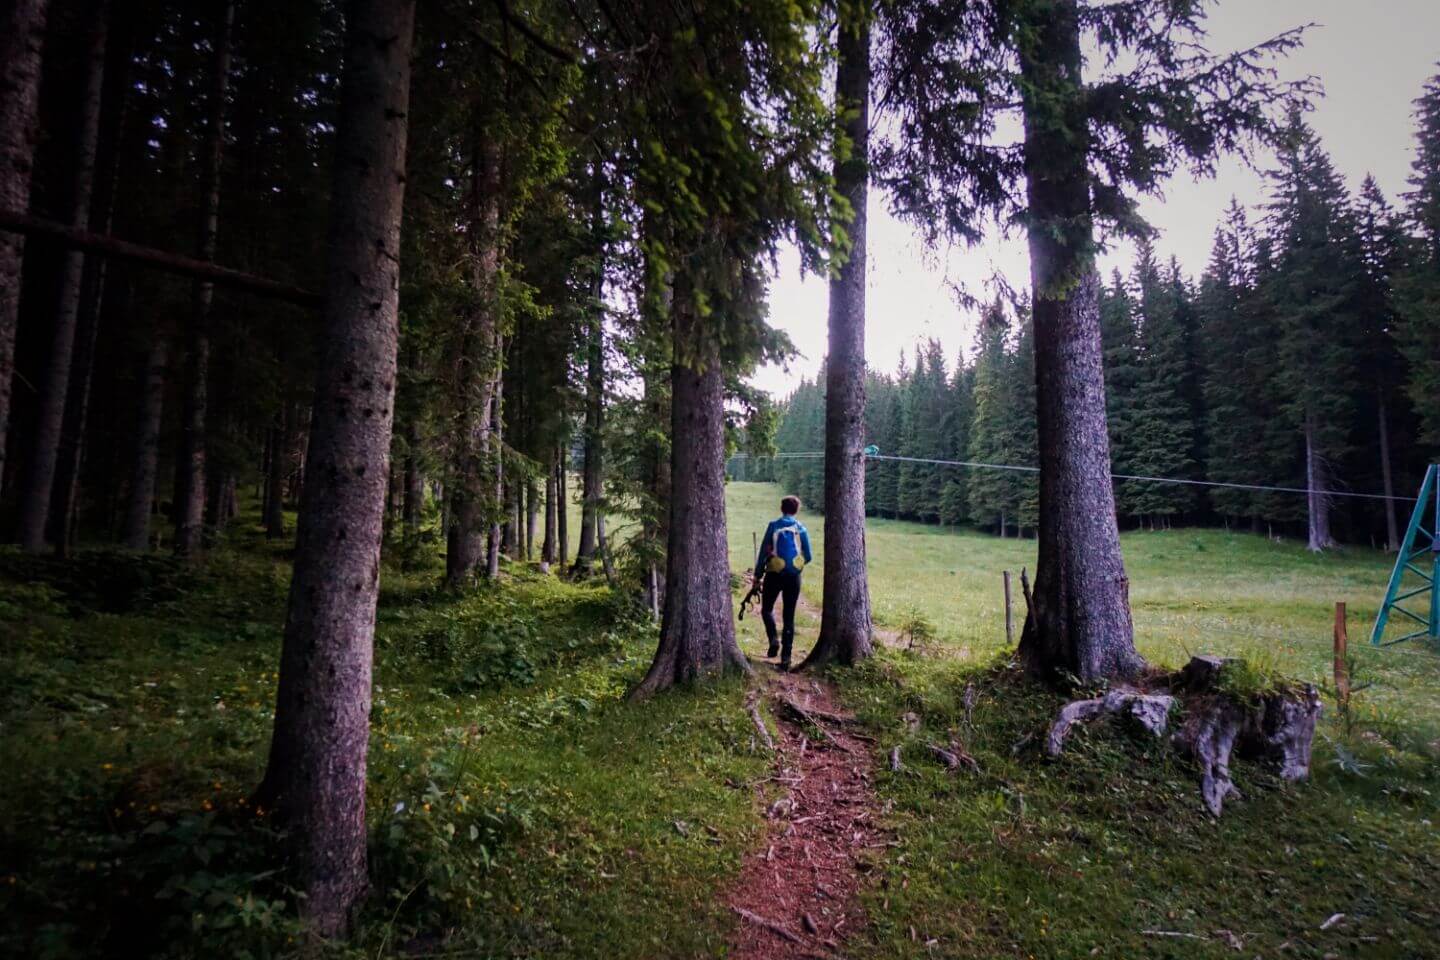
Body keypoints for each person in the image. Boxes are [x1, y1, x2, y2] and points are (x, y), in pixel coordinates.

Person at [753, 495, 812, 670]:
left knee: (766, 610)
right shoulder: (801, 529)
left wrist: (758, 575)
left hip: (774, 574)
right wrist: (795, 566)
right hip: (793, 577)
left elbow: (764, 553)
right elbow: (808, 556)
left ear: (782, 508)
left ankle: (773, 640)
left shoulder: (773, 526)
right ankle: (786, 660)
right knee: (789, 617)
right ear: (796, 510)